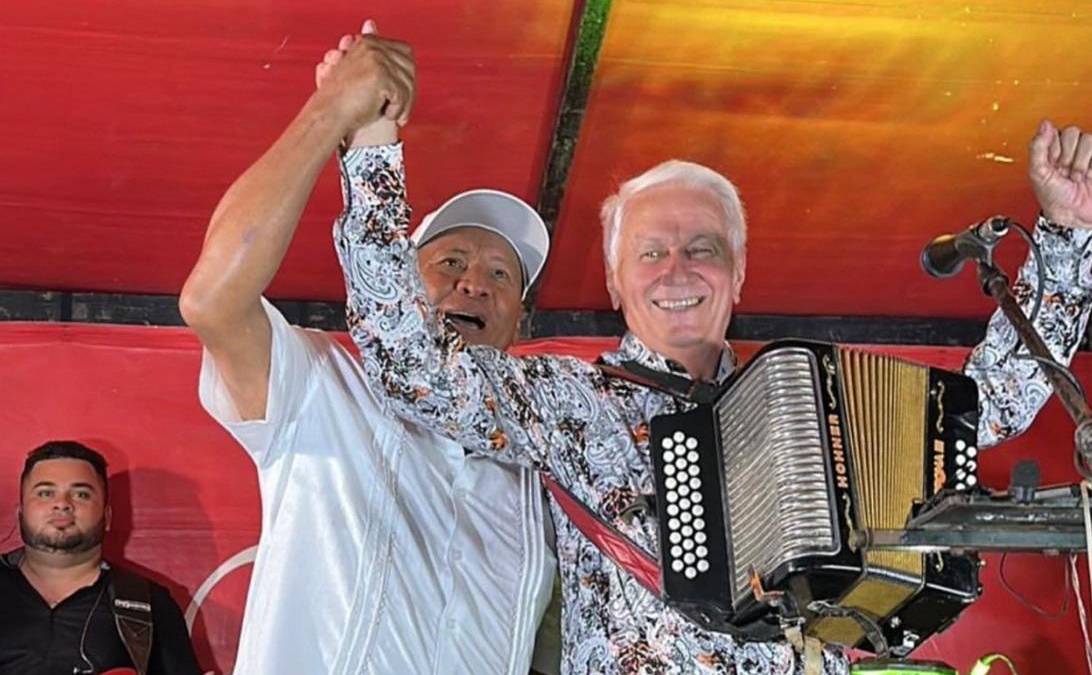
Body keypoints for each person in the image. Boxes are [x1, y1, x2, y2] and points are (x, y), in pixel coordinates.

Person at [325, 18, 1092, 672]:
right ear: (616, 282)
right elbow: (412, 366)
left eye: (703, 248)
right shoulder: (569, 398)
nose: (678, 270)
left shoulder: (810, 408)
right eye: (651, 253)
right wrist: (371, 148)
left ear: (739, 272)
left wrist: (1067, 234)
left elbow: (985, 407)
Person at [179, 21, 558, 675]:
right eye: (451, 262)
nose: (475, 283)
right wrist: (333, 111)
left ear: (520, 324)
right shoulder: (323, 383)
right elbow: (212, 300)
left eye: (503, 275)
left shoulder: (541, 468)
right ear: (398, 281)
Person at [0, 441, 200, 675]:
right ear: (20, 513)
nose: (62, 504)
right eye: (45, 493)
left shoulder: (149, 604)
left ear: (107, 517)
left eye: (81, 494)